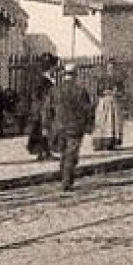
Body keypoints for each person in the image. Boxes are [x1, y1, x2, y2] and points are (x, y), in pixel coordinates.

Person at [45, 63, 95, 192]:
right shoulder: (80, 90)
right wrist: (89, 126)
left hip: (59, 127)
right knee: (71, 155)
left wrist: (47, 125)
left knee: (63, 153)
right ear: (75, 75)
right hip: (75, 128)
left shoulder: (55, 90)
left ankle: (64, 177)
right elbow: (88, 110)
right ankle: (66, 181)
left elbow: (47, 109)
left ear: (64, 75)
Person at [24, 56, 57, 161]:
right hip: (42, 109)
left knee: (43, 131)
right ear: (50, 67)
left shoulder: (47, 79)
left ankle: (44, 152)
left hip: (44, 109)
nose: (55, 69)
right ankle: (44, 153)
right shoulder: (42, 80)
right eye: (54, 67)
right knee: (43, 130)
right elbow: (36, 95)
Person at [90, 60, 125, 151]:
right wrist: (105, 92)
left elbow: (122, 92)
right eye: (109, 67)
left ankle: (111, 142)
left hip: (114, 102)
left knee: (113, 122)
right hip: (104, 102)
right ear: (107, 68)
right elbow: (98, 91)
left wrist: (116, 92)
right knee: (103, 121)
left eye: (113, 68)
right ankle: (100, 142)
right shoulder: (102, 79)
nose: (111, 69)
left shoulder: (118, 79)